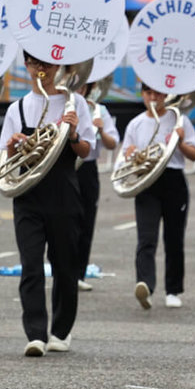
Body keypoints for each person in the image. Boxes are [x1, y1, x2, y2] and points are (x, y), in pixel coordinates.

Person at [0, 52, 95, 356]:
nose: (42, 69)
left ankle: (61, 331)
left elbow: (86, 151)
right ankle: (35, 333)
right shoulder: (18, 107)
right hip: (28, 196)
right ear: (26, 65)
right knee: (30, 265)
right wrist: (14, 145)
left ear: (59, 66)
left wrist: (74, 132)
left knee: (65, 266)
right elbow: (5, 158)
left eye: (48, 64)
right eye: (34, 63)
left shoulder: (74, 103)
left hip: (64, 193)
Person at [120, 84, 195, 310]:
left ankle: (173, 290)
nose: (153, 98)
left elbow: (194, 154)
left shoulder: (179, 119)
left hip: (174, 181)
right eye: (149, 93)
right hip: (146, 182)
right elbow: (126, 158)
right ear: (143, 95)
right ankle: (145, 284)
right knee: (146, 238)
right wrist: (130, 156)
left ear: (166, 95)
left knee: (174, 239)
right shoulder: (135, 123)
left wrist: (181, 142)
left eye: (158, 94)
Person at [75, 82, 120, 291]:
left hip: (87, 168)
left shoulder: (98, 109)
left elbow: (112, 144)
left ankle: (78, 273)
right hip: (62, 165)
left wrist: (101, 129)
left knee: (86, 221)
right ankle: (61, 269)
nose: (79, 90)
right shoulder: (59, 105)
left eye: (83, 86)